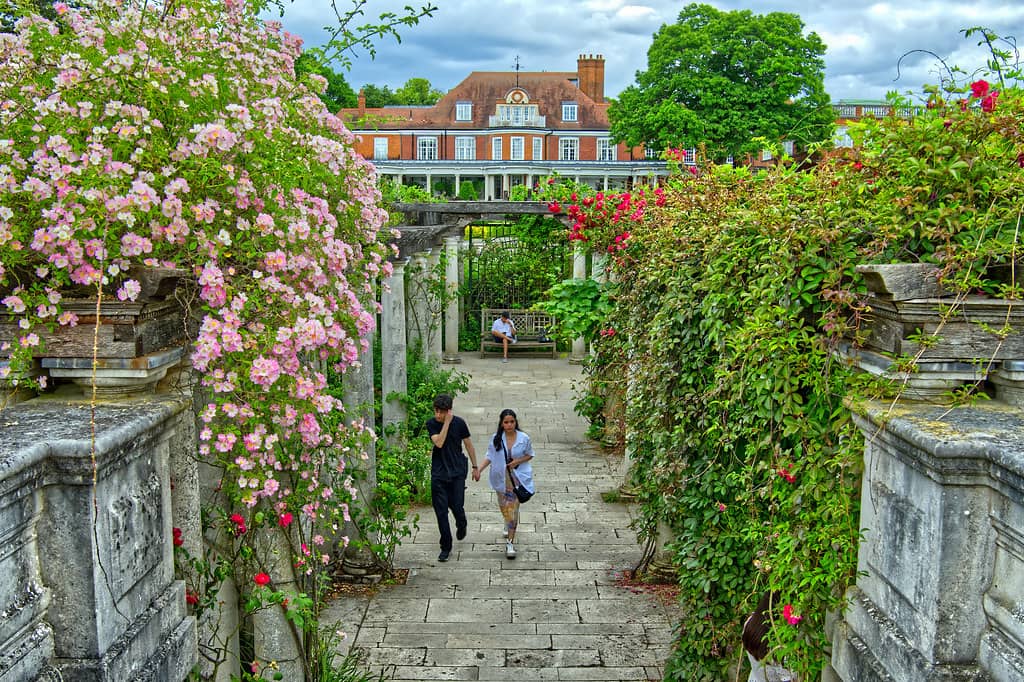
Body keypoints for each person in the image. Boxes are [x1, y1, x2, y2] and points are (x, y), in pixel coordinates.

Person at [425, 393, 479, 562]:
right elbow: (439, 442)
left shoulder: (459, 423)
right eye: (436, 411)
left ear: (449, 411)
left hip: (456, 472)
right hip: (439, 473)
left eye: (442, 412)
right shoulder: (431, 424)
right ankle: (446, 546)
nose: (438, 415)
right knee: (441, 512)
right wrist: (445, 423)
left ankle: (461, 523)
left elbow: (468, 444)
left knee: (457, 507)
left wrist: (475, 466)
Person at [478, 408, 534, 559]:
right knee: (505, 508)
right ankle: (506, 521)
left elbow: (530, 455)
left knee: (513, 511)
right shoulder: (496, 438)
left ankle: (510, 542)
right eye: (506, 422)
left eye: (512, 422)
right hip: (501, 479)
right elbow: (489, 456)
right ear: (502, 424)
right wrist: (478, 470)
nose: (509, 425)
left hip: (517, 480)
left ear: (515, 422)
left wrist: (517, 461)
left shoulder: (524, 438)